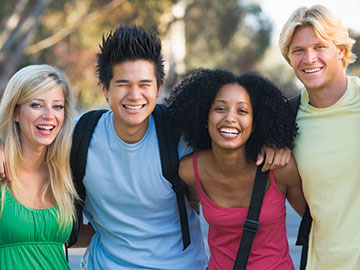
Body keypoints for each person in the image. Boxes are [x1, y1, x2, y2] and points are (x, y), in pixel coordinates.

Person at [71, 25, 208, 269]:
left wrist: (273, 147)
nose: (135, 96)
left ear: (159, 85)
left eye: (145, 84)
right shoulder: (80, 134)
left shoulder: (180, 132)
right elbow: (27, 138)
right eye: (123, 84)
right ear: (104, 88)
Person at [167, 68, 306, 270]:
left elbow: (315, 223)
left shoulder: (280, 168)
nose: (231, 118)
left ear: (255, 123)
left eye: (242, 111)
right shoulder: (190, 170)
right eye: (220, 109)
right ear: (205, 119)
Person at [278, 5, 360, 269]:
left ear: (340, 50)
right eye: (298, 51)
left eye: (319, 47)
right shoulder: (285, 121)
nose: (309, 58)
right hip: (322, 262)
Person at [0, 64, 78, 270]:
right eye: (36, 105)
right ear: (16, 112)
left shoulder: (65, 174)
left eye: (58, 106)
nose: (49, 115)